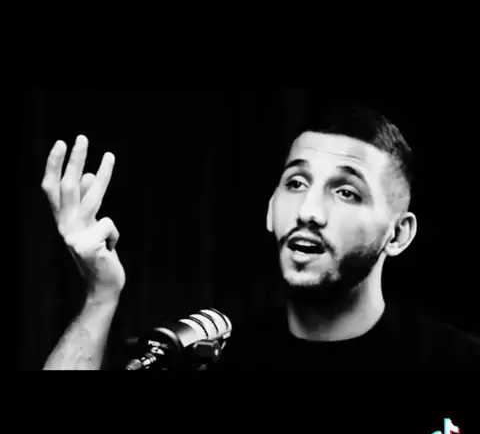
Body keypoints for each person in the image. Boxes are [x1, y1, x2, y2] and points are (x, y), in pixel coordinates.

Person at [41, 104, 480, 371]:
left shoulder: (456, 361)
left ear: (398, 234)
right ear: (270, 209)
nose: (309, 211)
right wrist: (101, 295)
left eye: (346, 192)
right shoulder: (219, 358)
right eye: (296, 183)